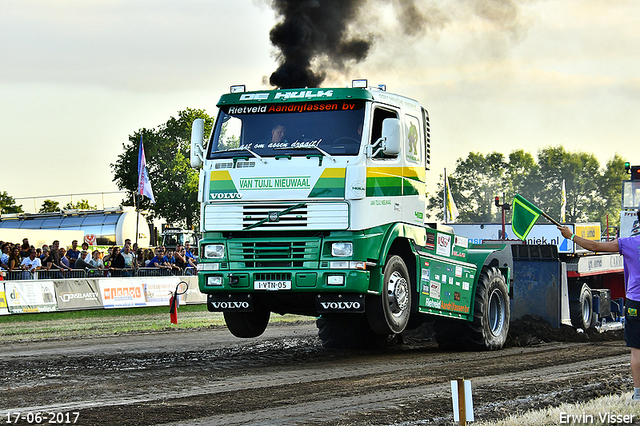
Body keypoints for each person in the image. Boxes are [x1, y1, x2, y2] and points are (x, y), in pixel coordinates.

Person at [558, 213, 640, 403]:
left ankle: (638, 395)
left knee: (637, 351)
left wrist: (571, 236)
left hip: (635, 303)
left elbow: (594, 246)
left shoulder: (628, 243)